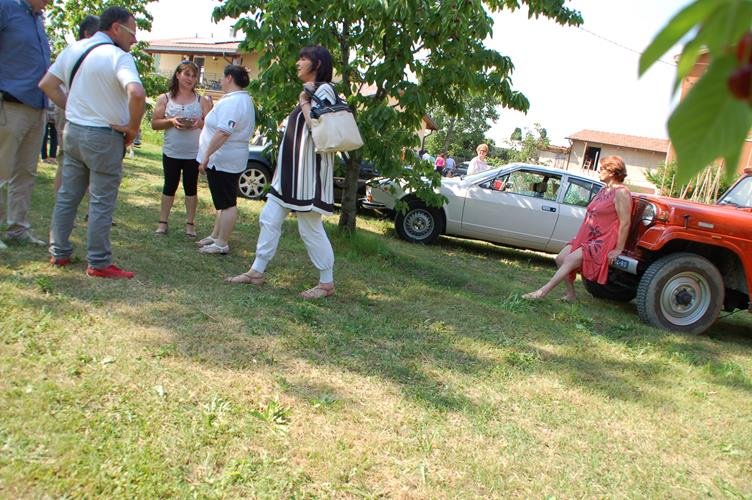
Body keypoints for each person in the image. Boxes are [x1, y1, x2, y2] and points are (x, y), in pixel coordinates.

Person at [39, 6, 146, 279]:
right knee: (101, 200)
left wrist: (73, 108)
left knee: (67, 196)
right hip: (104, 136)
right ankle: (98, 262)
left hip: (73, 133)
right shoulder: (118, 57)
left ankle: (59, 252)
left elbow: (47, 84)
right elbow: (136, 93)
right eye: (132, 32)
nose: (134, 39)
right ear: (116, 28)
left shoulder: (73, 49)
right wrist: (133, 128)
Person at [226, 45, 337, 300]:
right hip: (289, 176)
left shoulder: (324, 91)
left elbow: (319, 127)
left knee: (310, 228)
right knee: (269, 218)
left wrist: (304, 102)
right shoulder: (310, 91)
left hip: (308, 176)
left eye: (303, 59)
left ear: (318, 64)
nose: (298, 63)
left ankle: (326, 283)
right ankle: (256, 271)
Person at [522, 156, 632, 302]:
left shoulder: (621, 193)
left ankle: (541, 292)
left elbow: (625, 222)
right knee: (560, 259)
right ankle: (571, 295)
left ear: (612, 172)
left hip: (602, 240)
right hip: (587, 235)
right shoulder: (603, 189)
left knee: (569, 260)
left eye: (602, 168)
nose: (598, 171)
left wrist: (618, 249)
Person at [0, 0, 52, 250]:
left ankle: (18, 229)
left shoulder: (38, 18)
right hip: (9, 104)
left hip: (37, 106)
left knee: (26, 172)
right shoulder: (5, 7)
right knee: (1, 169)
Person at [195, 64, 254, 254]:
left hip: (224, 159)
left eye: (222, 77)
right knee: (221, 200)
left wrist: (206, 156)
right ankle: (216, 235)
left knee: (227, 203)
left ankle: (222, 243)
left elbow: (223, 132)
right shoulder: (238, 99)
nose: (220, 80)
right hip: (224, 158)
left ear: (229, 78)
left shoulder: (234, 102)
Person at [151, 60, 212, 237]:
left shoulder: (202, 100)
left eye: (194, 75)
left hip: (194, 153)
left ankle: (190, 224)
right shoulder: (165, 98)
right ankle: (163, 222)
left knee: (191, 188)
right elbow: (155, 124)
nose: (190, 78)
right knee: (169, 186)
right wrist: (171, 121)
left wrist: (199, 124)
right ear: (178, 75)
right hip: (171, 151)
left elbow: (211, 127)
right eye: (187, 74)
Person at [52, 15, 99, 193]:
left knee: (91, 164)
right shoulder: (73, 52)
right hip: (69, 112)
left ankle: (83, 207)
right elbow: (50, 84)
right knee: (66, 160)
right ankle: (61, 204)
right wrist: (71, 108)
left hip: (87, 114)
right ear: (87, 34)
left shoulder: (97, 54)